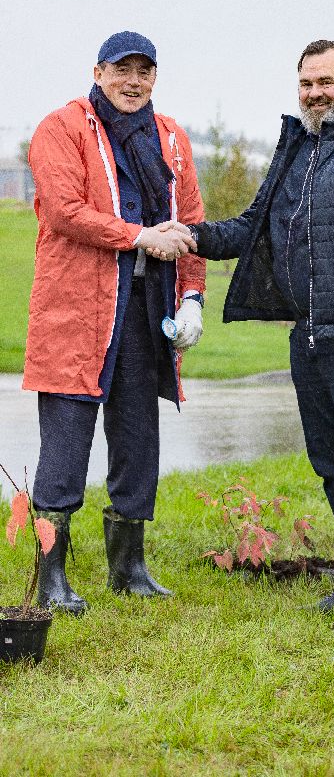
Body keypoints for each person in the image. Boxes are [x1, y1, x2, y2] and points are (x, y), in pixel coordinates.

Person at [170, 40, 334, 636]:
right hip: (312, 337)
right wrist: (189, 236)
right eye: (306, 83)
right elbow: (252, 229)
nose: (314, 93)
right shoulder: (299, 152)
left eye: (325, 82)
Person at [22, 30, 205, 614]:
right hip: (78, 313)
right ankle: (52, 576)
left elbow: (191, 220)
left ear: (155, 77)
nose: (133, 82)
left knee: (137, 439)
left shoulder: (171, 137)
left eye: (144, 72)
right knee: (66, 444)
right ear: (97, 72)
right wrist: (137, 236)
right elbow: (63, 210)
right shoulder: (62, 128)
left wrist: (193, 296)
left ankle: (128, 568)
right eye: (121, 70)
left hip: (146, 313)